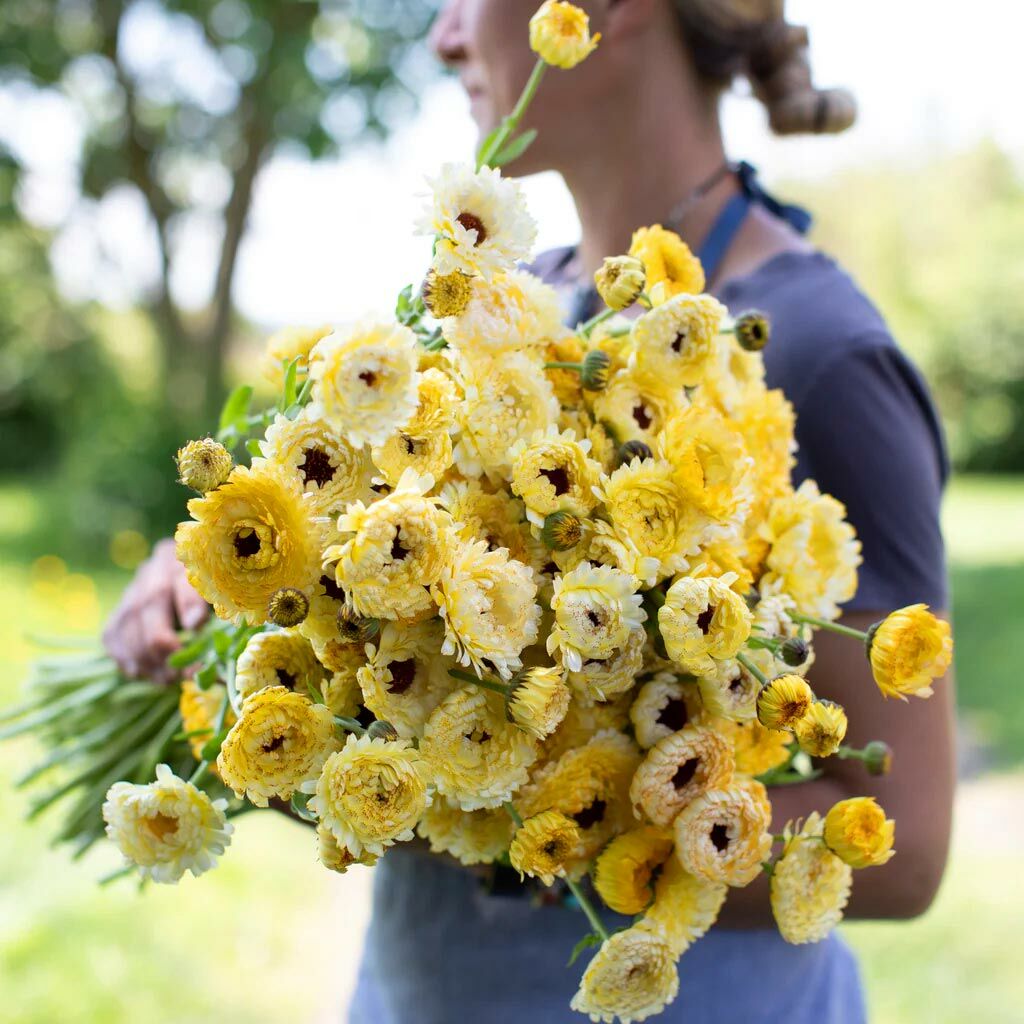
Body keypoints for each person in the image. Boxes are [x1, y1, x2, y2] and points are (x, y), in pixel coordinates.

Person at [104, 1, 956, 1021]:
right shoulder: (493, 310)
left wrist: (495, 807)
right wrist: (216, 587)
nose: (442, 34)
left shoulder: (820, 349)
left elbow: (903, 844)